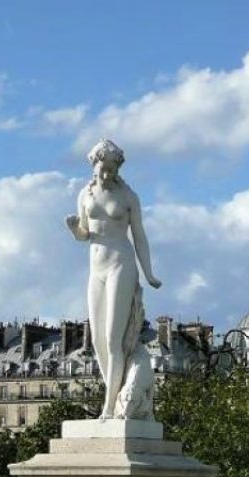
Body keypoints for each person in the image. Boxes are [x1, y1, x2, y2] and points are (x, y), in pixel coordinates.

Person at [65, 139, 162, 420]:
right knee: (97, 340)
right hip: (96, 268)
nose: (107, 174)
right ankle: (119, 399)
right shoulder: (85, 194)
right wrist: (75, 230)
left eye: (111, 169)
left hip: (122, 263)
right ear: (93, 165)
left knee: (113, 338)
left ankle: (109, 409)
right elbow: (85, 233)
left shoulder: (128, 197)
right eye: (102, 169)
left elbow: (139, 236)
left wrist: (149, 272)